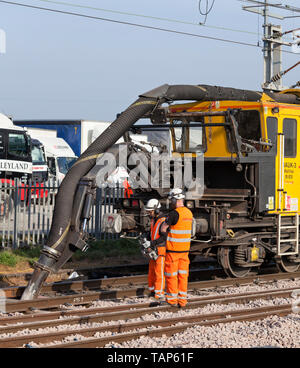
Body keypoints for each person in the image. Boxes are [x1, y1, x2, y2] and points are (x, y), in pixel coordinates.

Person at [163, 188, 193, 308]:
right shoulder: (189, 213)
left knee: (171, 275)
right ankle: (182, 301)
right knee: (183, 275)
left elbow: (163, 228)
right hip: (185, 251)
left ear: (175, 200)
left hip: (173, 251)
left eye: (171, 200)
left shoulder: (174, 214)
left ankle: (172, 300)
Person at [143, 198, 167, 301]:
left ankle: (159, 294)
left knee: (159, 272)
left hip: (160, 250)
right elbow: (152, 233)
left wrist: (151, 243)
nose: (149, 213)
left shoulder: (163, 221)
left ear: (157, 210)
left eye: (150, 211)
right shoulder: (154, 220)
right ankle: (153, 291)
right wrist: (146, 238)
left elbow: (164, 237)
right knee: (152, 272)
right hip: (154, 250)